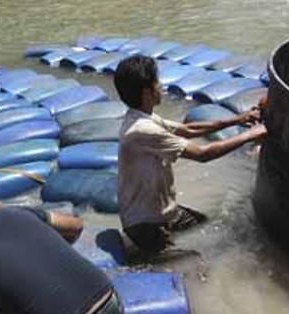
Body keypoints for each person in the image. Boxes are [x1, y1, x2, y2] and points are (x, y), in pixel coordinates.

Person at [114, 55, 268, 254]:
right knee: (194, 260)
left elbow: (188, 129)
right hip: (146, 224)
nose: (161, 86)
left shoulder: (144, 118)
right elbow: (202, 154)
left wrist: (237, 120)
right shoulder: (141, 130)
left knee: (205, 224)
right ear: (147, 92)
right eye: (157, 82)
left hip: (165, 213)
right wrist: (250, 135)